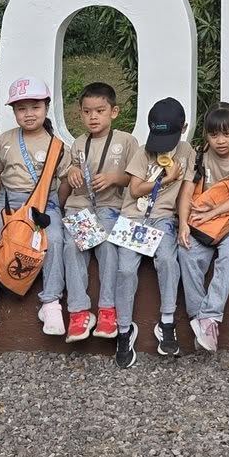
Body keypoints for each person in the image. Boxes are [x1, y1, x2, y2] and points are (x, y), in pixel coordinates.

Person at [0, 77, 66, 339]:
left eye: (34, 107)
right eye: (21, 109)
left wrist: (58, 206)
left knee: (55, 238)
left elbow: (65, 180)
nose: (28, 114)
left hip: (44, 201)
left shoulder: (57, 145)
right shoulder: (5, 140)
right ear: (14, 112)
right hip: (8, 200)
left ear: (46, 107)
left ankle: (51, 302)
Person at [111, 97, 192, 368]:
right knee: (125, 270)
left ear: (184, 128)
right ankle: (124, 330)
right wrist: (165, 179)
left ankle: (166, 322)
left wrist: (183, 222)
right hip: (133, 217)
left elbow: (186, 193)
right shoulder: (143, 151)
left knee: (169, 260)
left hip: (163, 219)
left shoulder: (188, 152)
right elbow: (134, 190)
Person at [178, 102, 229, 354]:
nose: (220, 141)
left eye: (227, 134)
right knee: (186, 252)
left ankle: (210, 316)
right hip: (202, 219)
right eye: (214, 135)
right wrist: (182, 224)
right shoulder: (200, 154)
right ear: (206, 135)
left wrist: (213, 211)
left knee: (228, 256)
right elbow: (187, 190)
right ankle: (200, 319)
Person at [60, 81, 134, 342]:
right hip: (81, 207)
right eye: (87, 111)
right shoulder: (78, 143)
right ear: (80, 113)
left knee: (107, 247)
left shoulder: (126, 141)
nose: (93, 117)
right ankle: (79, 312)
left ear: (113, 112)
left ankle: (107, 309)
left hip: (110, 207)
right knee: (70, 248)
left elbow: (135, 179)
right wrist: (71, 171)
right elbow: (70, 168)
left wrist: (115, 177)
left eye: (100, 111)